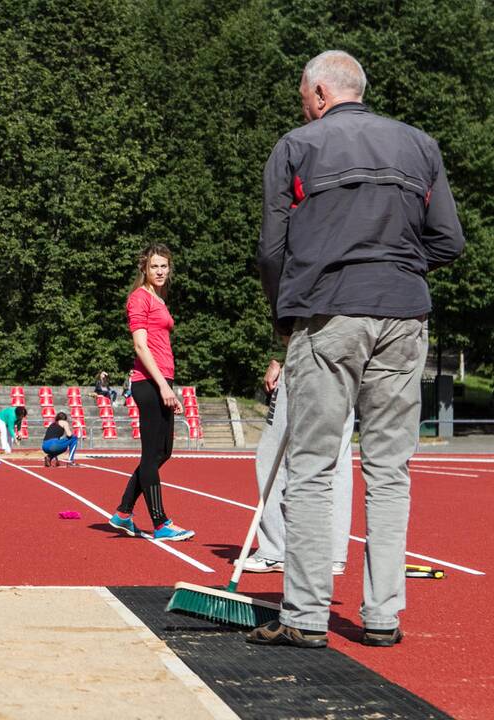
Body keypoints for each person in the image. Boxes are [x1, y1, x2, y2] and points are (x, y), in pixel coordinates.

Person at [251, 51, 464, 649]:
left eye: (302, 97)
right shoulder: (420, 145)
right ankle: (381, 617)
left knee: (315, 465)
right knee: (389, 471)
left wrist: (286, 319)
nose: (303, 106)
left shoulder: (296, 145)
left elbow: (272, 250)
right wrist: (397, 266)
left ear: (319, 92)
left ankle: (306, 617)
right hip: (403, 315)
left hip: (328, 313)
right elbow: (449, 239)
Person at [108, 245, 194, 542]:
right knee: (152, 452)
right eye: (155, 266)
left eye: (164, 266)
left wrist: (169, 384)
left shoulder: (159, 298)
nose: (160, 271)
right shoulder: (139, 298)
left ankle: (123, 512)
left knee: (163, 451)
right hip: (148, 381)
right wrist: (162, 385)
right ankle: (160, 522)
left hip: (162, 380)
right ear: (144, 267)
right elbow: (141, 346)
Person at [243, 358, 353, 576]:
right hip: (352, 359)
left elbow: (295, 324)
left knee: (272, 453)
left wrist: (278, 358)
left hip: (306, 355)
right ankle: (331, 555)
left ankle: (275, 550)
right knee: (337, 456)